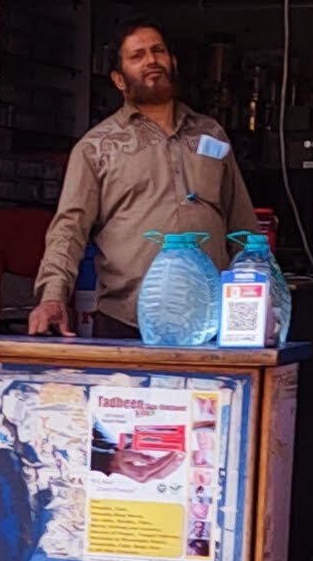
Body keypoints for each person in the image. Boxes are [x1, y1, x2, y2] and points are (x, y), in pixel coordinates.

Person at [28, 18, 260, 339]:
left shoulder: (211, 134)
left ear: (172, 62)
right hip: (127, 319)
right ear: (120, 80)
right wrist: (53, 295)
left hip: (211, 319)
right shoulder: (98, 146)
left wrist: (259, 293)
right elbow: (69, 229)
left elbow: (241, 225)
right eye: (137, 56)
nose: (151, 60)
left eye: (158, 51)